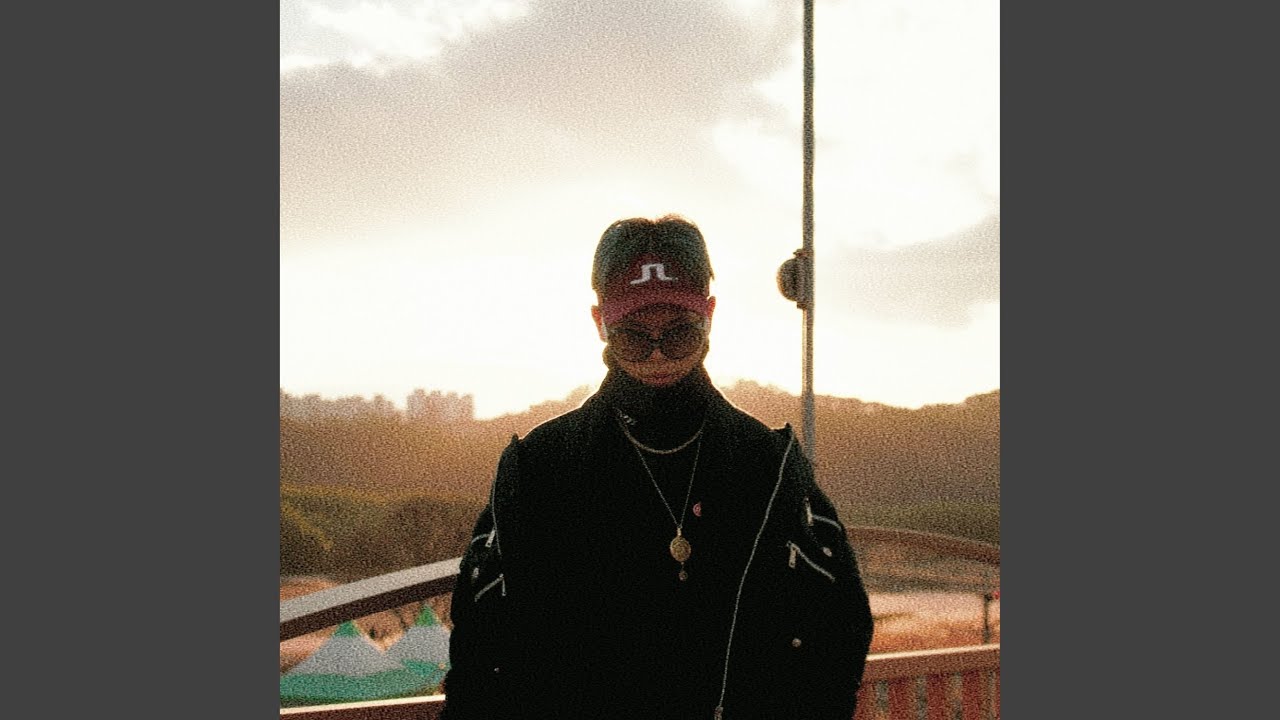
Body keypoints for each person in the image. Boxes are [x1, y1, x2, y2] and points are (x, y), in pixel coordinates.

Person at [441, 215, 873, 719]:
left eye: (679, 334)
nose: (657, 354)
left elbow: (838, 622)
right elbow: (481, 643)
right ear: (600, 324)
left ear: (709, 316)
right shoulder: (539, 464)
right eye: (633, 337)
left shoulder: (768, 461)